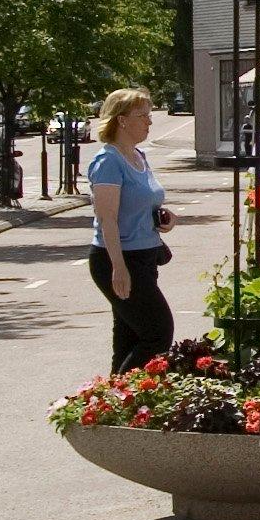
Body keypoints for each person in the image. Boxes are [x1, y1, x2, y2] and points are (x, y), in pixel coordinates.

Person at [83, 87, 176, 372]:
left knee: (128, 338)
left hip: (146, 256)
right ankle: (121, 396)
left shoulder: (138, 156)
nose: (149, 122)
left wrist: (165, 218)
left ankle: (113, 404)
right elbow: (107, 218)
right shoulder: (108, 161)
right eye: (143, 116)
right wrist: (118, 267)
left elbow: (143, 202)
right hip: (120, 258)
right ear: (121, 120)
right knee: (158, 332)